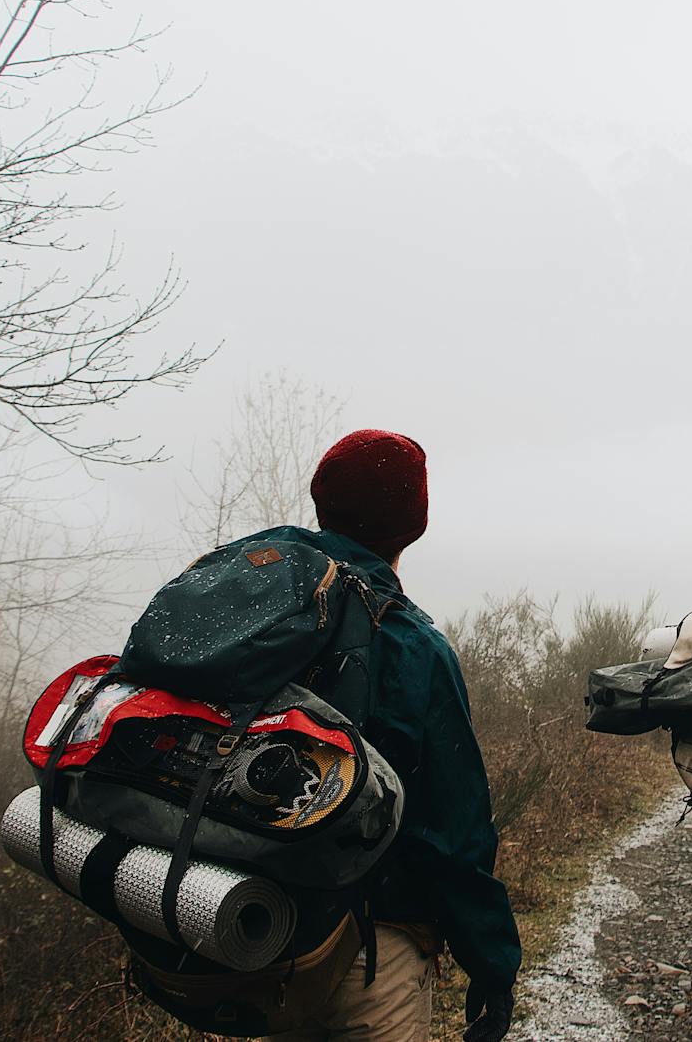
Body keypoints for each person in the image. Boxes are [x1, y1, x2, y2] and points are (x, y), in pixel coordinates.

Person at [267, 429, 519, 1042]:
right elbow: (453, 831)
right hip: (375, 950)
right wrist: (492, 965)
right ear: (413, 523)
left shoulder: (264, 626)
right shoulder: (413, 646)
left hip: (263, 937)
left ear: (322, 505)